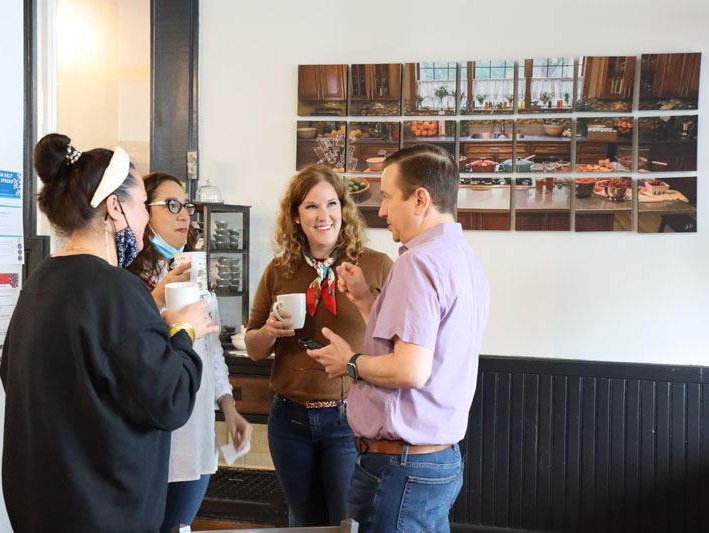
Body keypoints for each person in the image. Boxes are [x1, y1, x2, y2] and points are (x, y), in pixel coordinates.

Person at [0, 133, 217, 533]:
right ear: (114, 207)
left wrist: (150, 322)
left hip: (40, 506)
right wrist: (184, 330)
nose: (145, 223)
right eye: (140, 208)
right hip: (102, 511)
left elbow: (28, 374)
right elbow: (168, 400)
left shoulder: (39, 282)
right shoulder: (115, 287)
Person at [307, 144, 490, 533]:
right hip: (435, 462)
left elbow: (410, 369)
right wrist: (365, 300)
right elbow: (419, 346)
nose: (382, 210)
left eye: (388, 197)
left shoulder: (418, 262)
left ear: (420, 199)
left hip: (399, 469)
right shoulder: (461, 256)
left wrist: (349, 363)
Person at [244, 165, 392, 526]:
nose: (323, 215)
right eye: (311, 207)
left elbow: (396, 345)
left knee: (345, 521)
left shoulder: (376, 266)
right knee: (303, 523)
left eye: (331, 204)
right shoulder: (279, 269)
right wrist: (270, 331)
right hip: (288, 419)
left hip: (348, 418)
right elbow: (253, 348)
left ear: (344, 210)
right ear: (296, 217)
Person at [127, 172, 252, 532]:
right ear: (141, 211)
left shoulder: (193, 271)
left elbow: (210, 350)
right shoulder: (126, 278)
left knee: (180, 527)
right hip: (149, 437)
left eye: (187, 207)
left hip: (195, 434)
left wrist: (228, 407)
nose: (185, 215)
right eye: (172, 205)